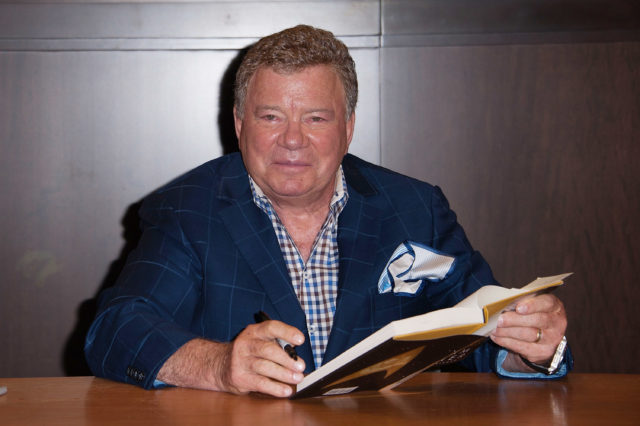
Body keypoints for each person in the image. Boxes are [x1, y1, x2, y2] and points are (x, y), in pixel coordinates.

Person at [84, 25, 571, 398]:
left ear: (349, 126)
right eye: (270, 116)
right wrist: (218, 365)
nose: (292, 139)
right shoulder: (189, 210)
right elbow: (116, 328)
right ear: (238, 124)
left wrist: (530, 346)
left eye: (316, 118)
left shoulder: (413, 208)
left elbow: (481, 327)